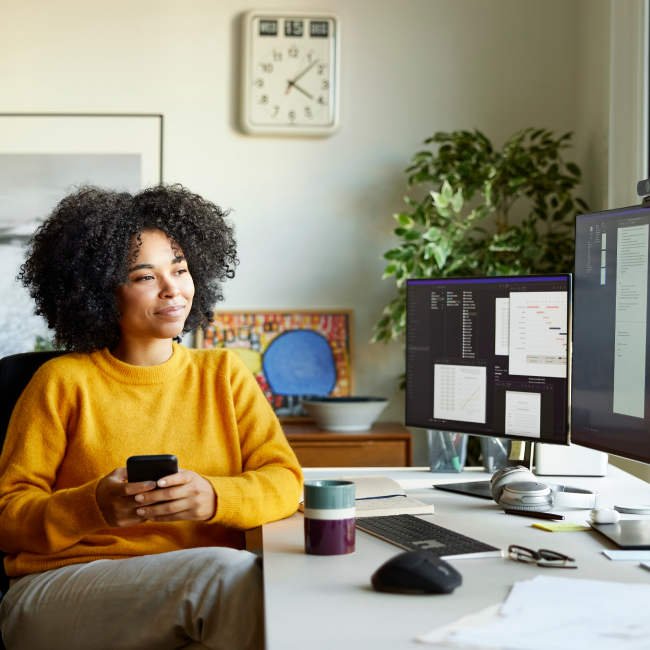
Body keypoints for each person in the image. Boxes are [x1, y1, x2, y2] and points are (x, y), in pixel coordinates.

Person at [0, 185, 303, 650]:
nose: (172, 289)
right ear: (100, 291)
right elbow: (8, 515)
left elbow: (285, 480)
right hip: (60, 588)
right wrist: (95, 506)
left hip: (195, 595)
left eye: (180, 270)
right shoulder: (61, 381)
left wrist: (214, 498)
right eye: (144, 277)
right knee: (230, 577)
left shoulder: (224, 375)